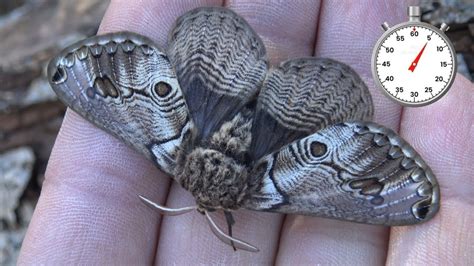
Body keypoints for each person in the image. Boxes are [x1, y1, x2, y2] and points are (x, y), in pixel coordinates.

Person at [18, 1, 473, 264]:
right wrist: (398, 195)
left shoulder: (174, 155)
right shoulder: (245, 186)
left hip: (213, 82)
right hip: (294, 115)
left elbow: (115, 85)